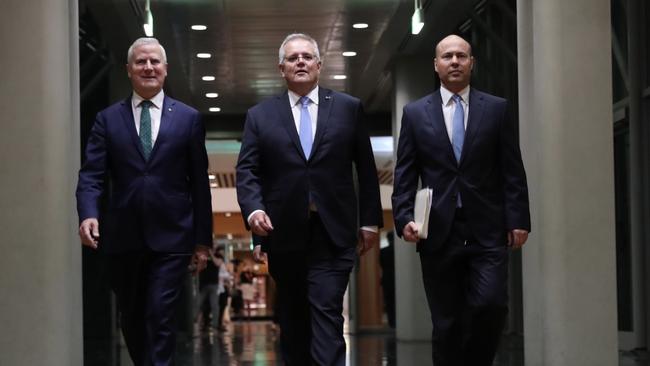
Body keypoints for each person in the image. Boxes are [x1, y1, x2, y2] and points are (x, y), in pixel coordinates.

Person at [236, 33, 383, 366]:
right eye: (292, 58)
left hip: (333, 233)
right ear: (281, 68)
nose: (300, 61)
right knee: (293, 319)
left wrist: (369, 221)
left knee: (327, 312)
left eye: (306, 56)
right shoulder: (260, 115)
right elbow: (247, 172)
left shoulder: (348, 108)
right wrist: (255, 213)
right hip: (283, 234)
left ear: (319, 64)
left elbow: (365, 167)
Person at [391, 34, 531, 366]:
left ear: (472, 64)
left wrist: (519, 220)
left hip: (487, 228)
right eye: (447, 56)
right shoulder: (414, 113)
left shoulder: (496, 109)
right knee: (447, 323)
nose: (455, 61)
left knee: (491, 304)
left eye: (461, 56)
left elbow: (512, 169)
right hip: (439, 230)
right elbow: (405, 173)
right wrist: (403, 218)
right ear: (436, 65)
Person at [76, 37, 213, 366]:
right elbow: (92, 174)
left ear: (166, 69)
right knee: (133, 318)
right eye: (141, 62)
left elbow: (199, 185)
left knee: (159, 315)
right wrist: (88, 214)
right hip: (123, 236)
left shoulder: (189, 118)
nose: (148, 67)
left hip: (172, 236)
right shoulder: (107, 119)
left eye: (154, 62)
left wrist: (202, 241)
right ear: (128, 70)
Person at [195, 250, 224, 331]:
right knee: (198, 304)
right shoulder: (202, 254)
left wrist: (211, 254)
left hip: (214, 284)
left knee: (214, 305)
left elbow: (218, 263)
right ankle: (194, 323)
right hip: (202, 284)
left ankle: (215, 326)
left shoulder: (218, 255)